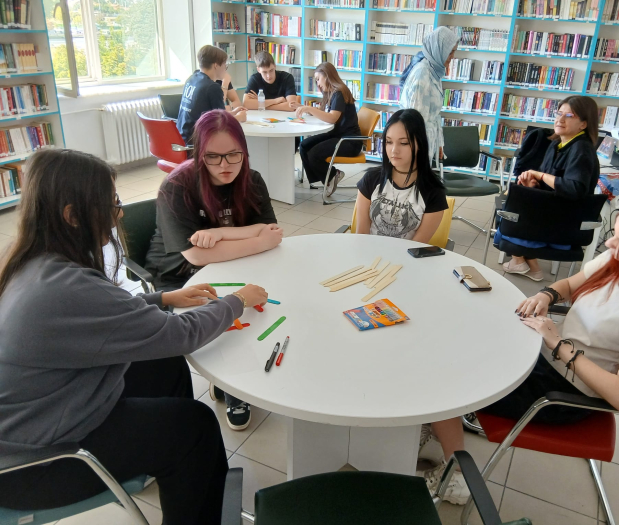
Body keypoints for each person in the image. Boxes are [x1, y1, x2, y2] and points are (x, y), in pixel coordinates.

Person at [0, 148, 270, 525]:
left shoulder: (36, 263)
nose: (120, 213)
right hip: (38, 464)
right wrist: (237, 301)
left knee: (163, 362)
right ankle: (182, 468)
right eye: (112, 203)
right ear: (72, 216)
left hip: (48, 415)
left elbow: (96, 316)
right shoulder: (66, 287)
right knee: (196, 427)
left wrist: (163, 298)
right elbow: (182, 333)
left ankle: (170, 467)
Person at [419, 197, 619, 505]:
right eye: (614, 234)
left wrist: (558, 345)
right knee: (458, 343)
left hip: (562, 393)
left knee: (446, 382)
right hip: (546, 359)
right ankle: (440, 425)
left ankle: (456, 478)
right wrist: (546, 295)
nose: (610, 244)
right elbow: (569, 285)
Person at [145, 109, 283, 430]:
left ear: (244, 150)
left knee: (267, 302)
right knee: (231, 311)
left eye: (234, 154)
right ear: (199, 153)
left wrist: (220, 234)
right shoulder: (177, 185)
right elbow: (195, 255)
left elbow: (271, 233)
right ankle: (233, 386)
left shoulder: (251, 179)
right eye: (213, 157)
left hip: (232, 263)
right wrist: (256, 239)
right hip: (179, 274)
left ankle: (234, 377)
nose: (225, 166)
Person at [500, 96, 601, 281]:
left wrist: (540, 176)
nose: (560, 119)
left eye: (569, 115)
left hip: (563, 223)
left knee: (507, 220)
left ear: (584, 124)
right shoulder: (557, 143)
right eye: (559, 113)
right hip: (553, 211)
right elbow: (552, 184)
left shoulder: (582, 149)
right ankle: (529, 266)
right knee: (511, 206)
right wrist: (534, 185)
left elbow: (574, 189)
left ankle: (521, 261)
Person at [356, 109, 448, 241]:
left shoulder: (433, 191)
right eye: (389, 142)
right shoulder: (371, 179)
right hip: (369, 251)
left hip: (406, 254)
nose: (394, 150)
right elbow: (361, 234)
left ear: (419, 143)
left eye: (404, 143)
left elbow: (417, 245)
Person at [296, 62, 362, 197]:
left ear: (327, 76)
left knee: (314, 153)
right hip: (338, 135)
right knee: (304, 145)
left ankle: (332, 175)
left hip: (350, 141)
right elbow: (325, 113)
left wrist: (309, 109)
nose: (318, 83)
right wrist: (304, 109)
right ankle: (321, 180)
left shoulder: (339, 92)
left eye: (318, 79)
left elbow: (332, 118)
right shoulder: (331, 93)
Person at [399, 27, 459, 166]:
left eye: (454, 51)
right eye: (450, 52)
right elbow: (415, 122)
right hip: (415, 147)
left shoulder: (434, 70)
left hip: (425, 143)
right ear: (439, 50)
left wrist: (439, 143)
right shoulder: (422, 74)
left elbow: (434, 114)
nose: (453, 56)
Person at [177, 45, 247, 145]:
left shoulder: (192, 79)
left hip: (182, 138)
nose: (225, 69)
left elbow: (212, 114)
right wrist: (239, 117)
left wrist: (233, 113)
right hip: (198, 141)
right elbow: (222, 123)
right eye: (225, 65)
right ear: (216, 65)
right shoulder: (212, 87)